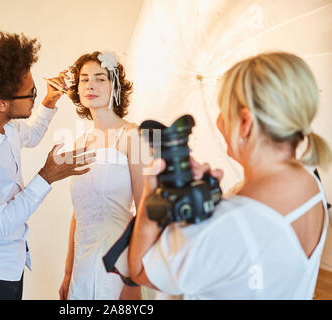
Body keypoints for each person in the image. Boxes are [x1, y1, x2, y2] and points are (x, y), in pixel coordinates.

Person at [129, 52, 331, 299]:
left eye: (224, 111)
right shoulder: (310, 181)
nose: (219, 120)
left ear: (245, 122)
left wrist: (154, 196)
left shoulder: (230, 222)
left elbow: (140, 270)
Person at [0, 32, 95, 300]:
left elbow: (31, 135)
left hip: (7, 265)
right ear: (1, 103)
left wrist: (48, 101)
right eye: (30, 93)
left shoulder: (2, 124)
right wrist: (46, 177)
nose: (34, 96)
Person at [58, 51, 147, 300]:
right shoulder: (80, 142)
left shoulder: (133, 135)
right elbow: (78, 213)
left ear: (115, 85)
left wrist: (133, 281)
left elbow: (144, 212)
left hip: (118, 261)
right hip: (82, 266)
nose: (90, 85)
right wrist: (67, 273)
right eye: (84, 79)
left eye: (100, 78)